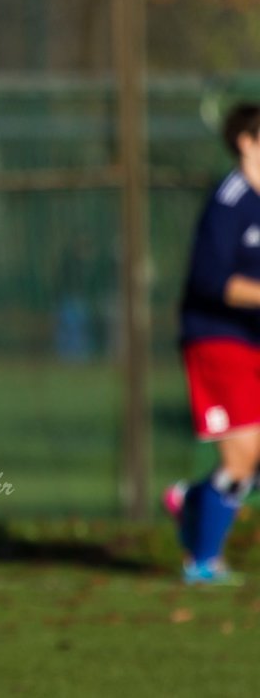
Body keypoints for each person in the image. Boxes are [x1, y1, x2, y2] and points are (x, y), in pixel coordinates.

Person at [164, 102, 260, 585]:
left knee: (249, 460)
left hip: (254, 339)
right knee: (242, 453)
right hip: (218, 337)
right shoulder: (230, 200)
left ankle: (193, 500)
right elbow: (210, 280)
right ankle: (202, 561)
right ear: (246, 141)